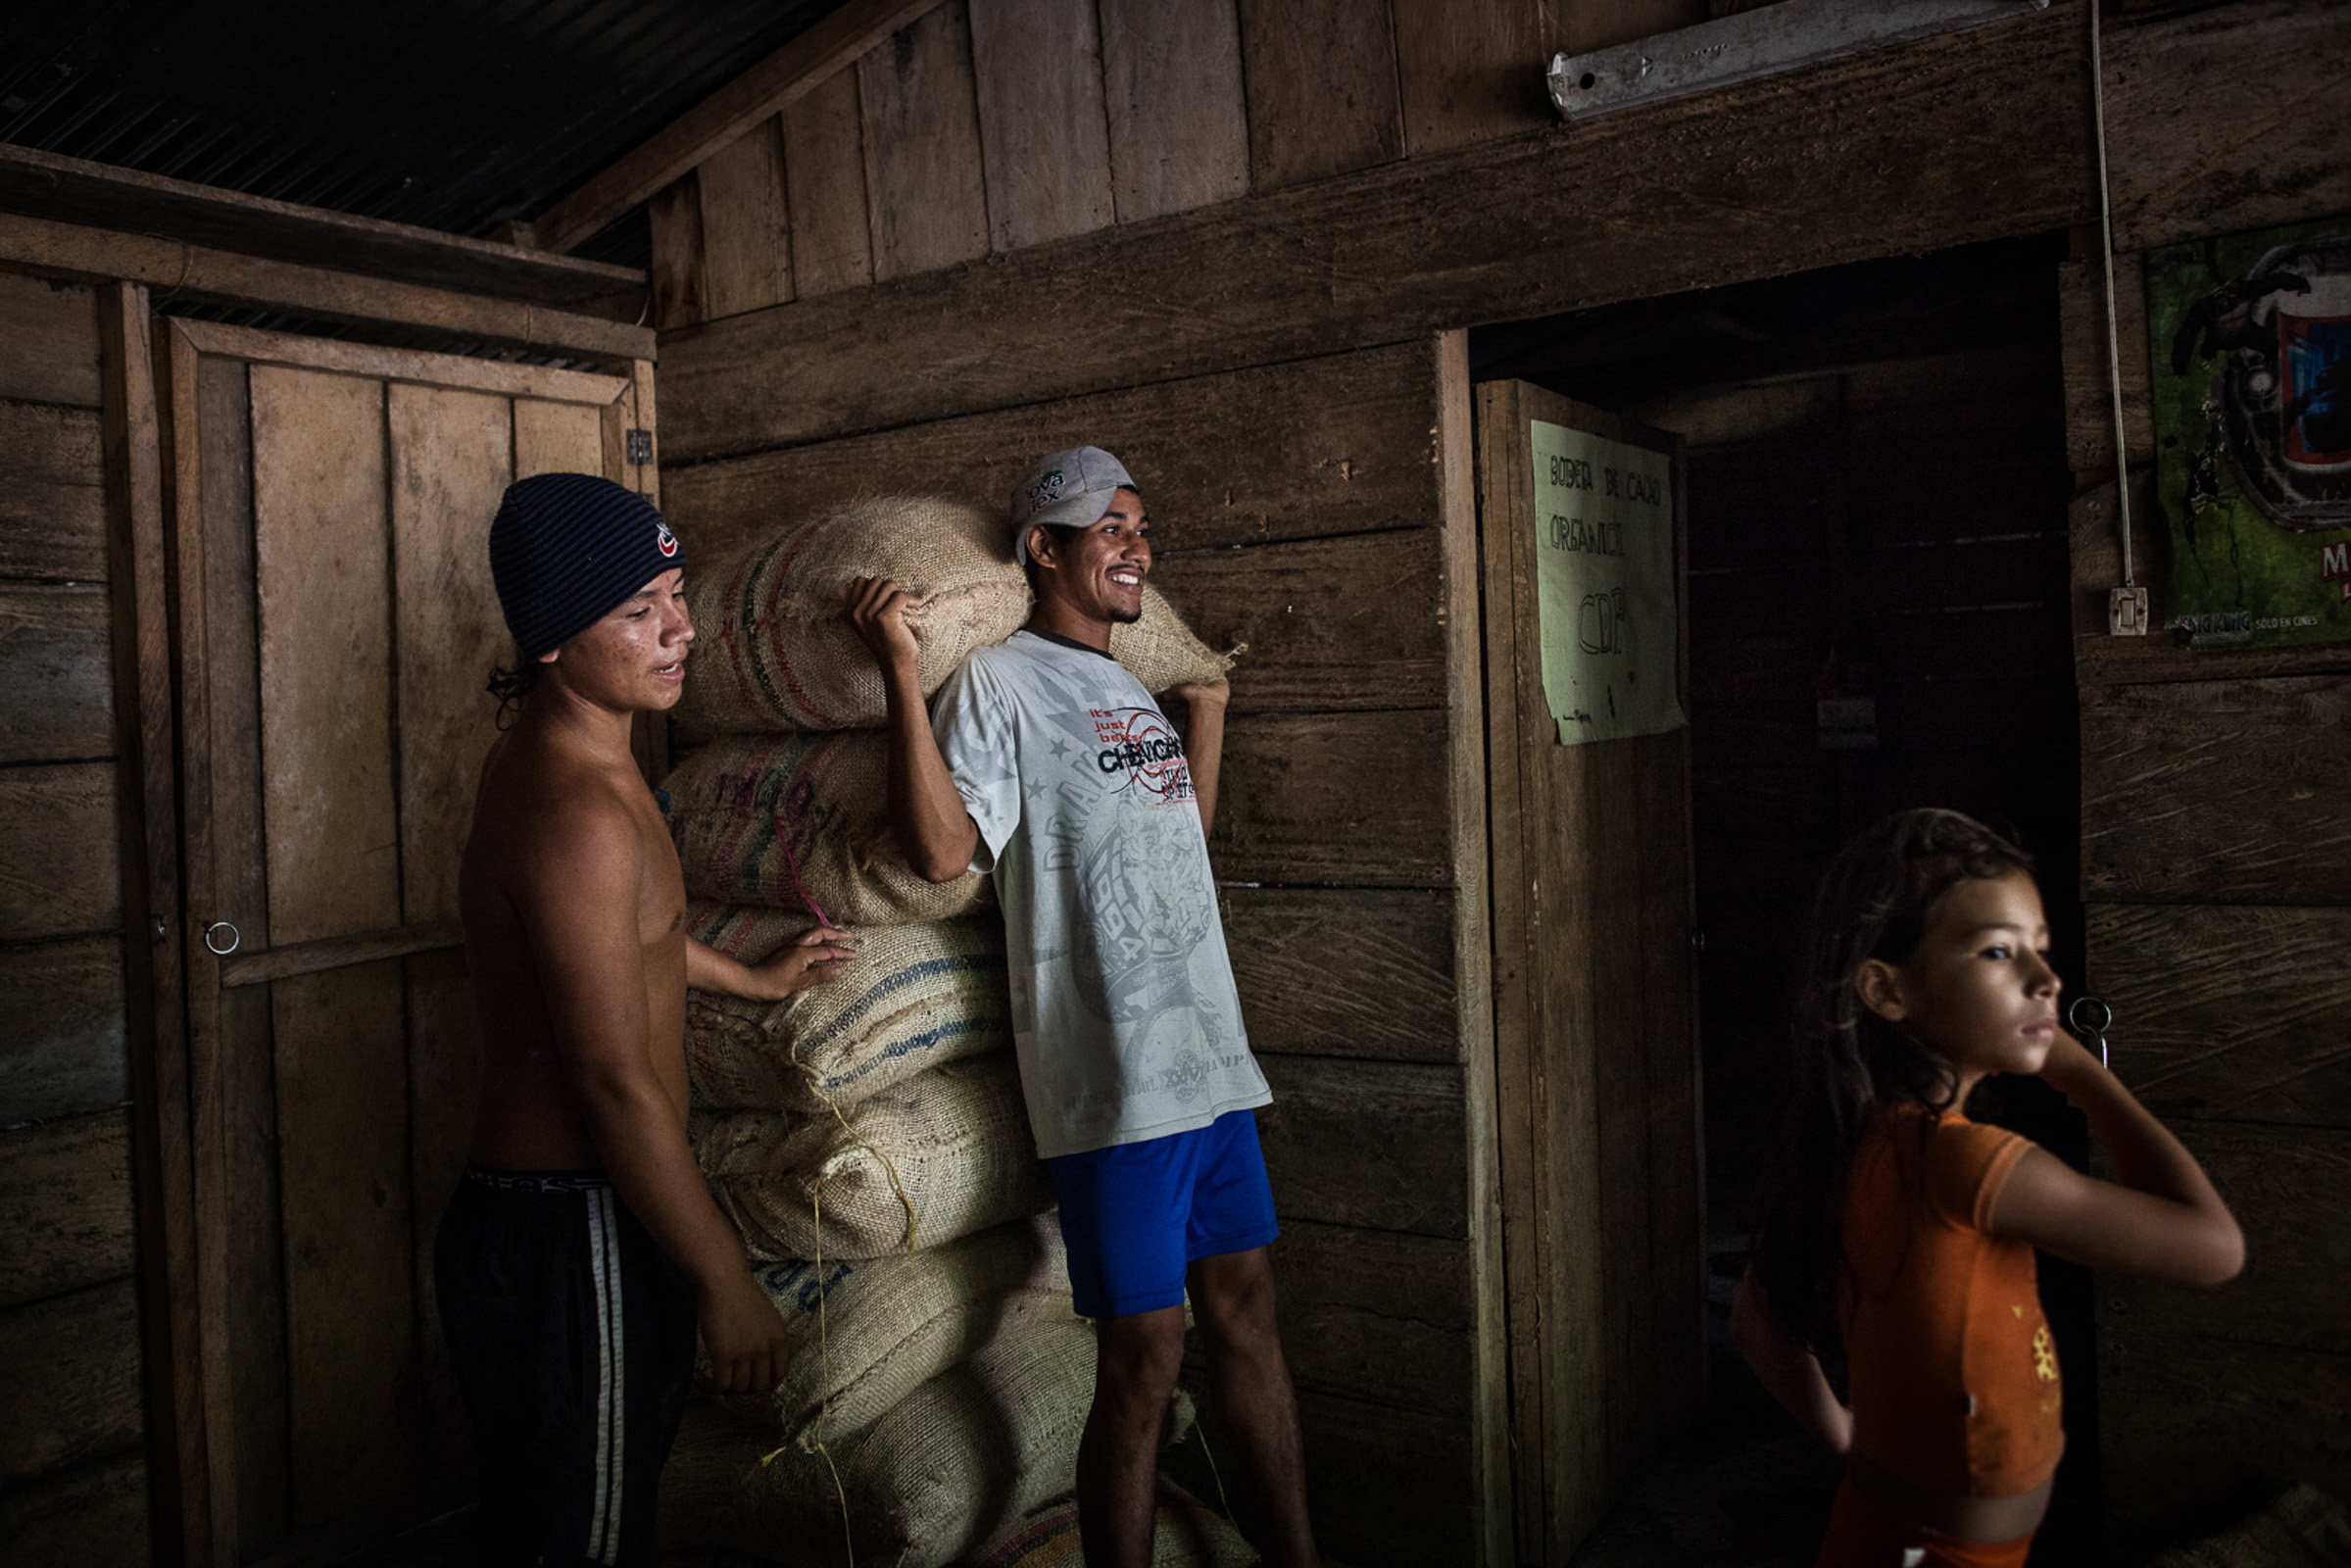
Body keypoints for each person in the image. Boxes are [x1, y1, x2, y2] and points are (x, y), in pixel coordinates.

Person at [843, 448, 1320, 1568]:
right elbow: (940, 848)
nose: (1135, 547)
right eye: (1108, 527)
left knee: (1245, 1308)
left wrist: (1203, 712)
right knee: (1146, 1353)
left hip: (1207, 1060)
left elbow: (1180, 849)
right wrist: (901, 676)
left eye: (1140, 529)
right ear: (1040, 549)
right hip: (1112, 1078)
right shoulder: (1000, 683)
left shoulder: (1127, 688)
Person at [439, 472, 854, 1566]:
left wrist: (752, 982)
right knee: (582, 1542)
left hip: (579, 1220)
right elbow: (610, 1079)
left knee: (566, 1523)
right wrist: (723, 1280)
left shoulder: (585, 765)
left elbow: (619, 940)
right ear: (549, 641)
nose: (677, 629)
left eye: (673, 594)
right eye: (636, 611)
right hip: (569, 1226)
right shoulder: (576, 809)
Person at [1733, 808, 2243, 1568]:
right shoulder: (1968, 1165)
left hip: (1885, 1525)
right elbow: (2214, 1248)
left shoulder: (1853, 1137)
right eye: (1998, 952)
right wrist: (2084, 1076)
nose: (2046, 979)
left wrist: (1842, 1434)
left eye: (2039, 948)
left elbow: (1755, 1312)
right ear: (1887, 990)